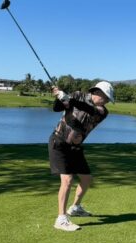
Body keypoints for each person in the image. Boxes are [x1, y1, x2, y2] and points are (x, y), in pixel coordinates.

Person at [49, 81, 114, 231]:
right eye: (105, 98)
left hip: (75, 147)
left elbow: (87, 110)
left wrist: (69, 100)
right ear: (97, 92)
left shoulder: (103, 112)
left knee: (86, 179)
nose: (106, 102)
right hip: (59, 142)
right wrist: (59, 97)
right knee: (67, 179)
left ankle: (76, 207)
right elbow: (56, 109)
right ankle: (61, 219)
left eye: (108, 100)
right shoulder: (78, 95)